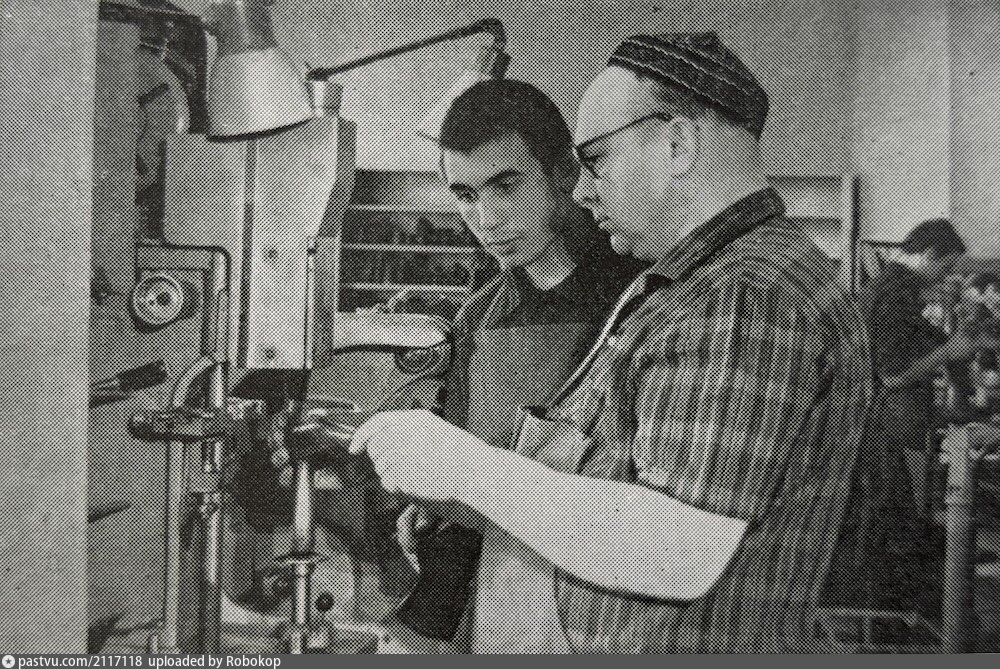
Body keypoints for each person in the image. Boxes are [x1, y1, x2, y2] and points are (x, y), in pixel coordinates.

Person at [352, 33, 873, 652]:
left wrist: (459, 466)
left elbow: (680, 550)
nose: (583, 190)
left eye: (596, 160)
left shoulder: (745, 293)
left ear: (677, 146)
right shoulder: (697, 287)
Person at [388, 79, 645, 649]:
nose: (486, 217)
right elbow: (458, 487)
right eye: (465, 195)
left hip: (604, 615)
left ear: (564, 175)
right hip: (496, 608)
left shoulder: (637, 303)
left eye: (506, 186)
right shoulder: (480, 315)